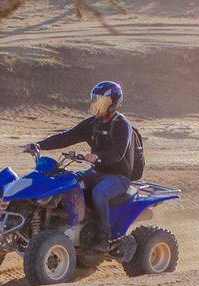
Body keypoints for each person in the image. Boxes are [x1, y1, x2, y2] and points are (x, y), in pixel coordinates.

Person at [25, 80, 135, 246]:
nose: (97, 104)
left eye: (102, 101)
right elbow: (67, 136)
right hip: (96, 173)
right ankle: (66, 224)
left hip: (118, 177)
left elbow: (118, 154)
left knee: (99, 193)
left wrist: (97, 157)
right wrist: (40, 145)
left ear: (113, 103)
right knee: (66, 181)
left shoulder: (122, 125)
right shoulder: (93, 123)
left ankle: (103, 237)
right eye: (95, 100)